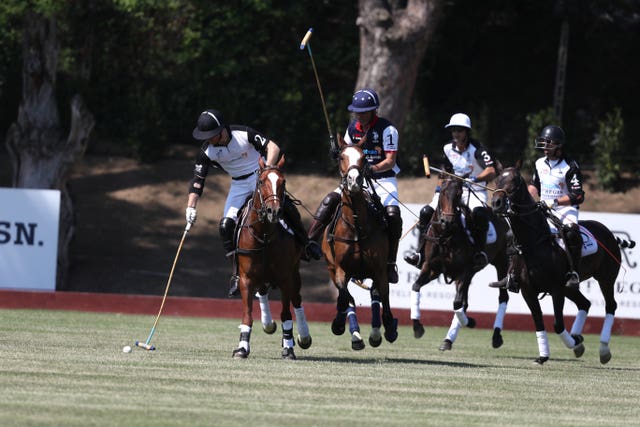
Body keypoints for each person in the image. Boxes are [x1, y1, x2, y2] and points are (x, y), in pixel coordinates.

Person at [185, 109, 322, 297]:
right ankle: (235, 274)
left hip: (261, 176)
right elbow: (198, 180)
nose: (208, 140)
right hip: (238, 184)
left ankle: (306, 244)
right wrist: (191, 207)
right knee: (226, 226)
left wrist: (268, 170)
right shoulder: (207, 151)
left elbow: (273, 147)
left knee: (286, 208)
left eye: (211, 135)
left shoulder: (243, 134)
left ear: (222, 129)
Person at [306, 88, 403, 283]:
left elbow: (391, 160)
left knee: (393, 213)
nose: (359, 115)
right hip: (356, 177)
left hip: (382, 179)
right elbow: (348, 153)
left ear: (374, 110)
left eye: (363, 111)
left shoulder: (387, 129)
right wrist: (337, 154)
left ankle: (390, 262)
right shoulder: (353, 128)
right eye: (356, 111)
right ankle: (309, 242)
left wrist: (373, 169)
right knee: (330, 200)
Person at [489, 125, 584, 290]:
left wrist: (554, 202)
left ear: (559, 145)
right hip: (542, 207)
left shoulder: (570, 166)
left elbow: (578, 196)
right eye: (544, 143)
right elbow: (534, 186)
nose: (545, 147)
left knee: (571, 231)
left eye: (549, 143)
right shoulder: (540, 163)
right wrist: (525, 199)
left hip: (564, 208)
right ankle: (512, 275)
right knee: (514, 233)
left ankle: (573, 273)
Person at [404, 113, 496, 269]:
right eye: (453, 130)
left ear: (467, 132)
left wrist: (475, 179)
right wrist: (439, 190)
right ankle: (420, 253)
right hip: (452, 190)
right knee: (426, 212)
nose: (456, 134)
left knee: (479, 214)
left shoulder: (478, 149)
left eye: (459, 130)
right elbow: (444, 172)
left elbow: (491, 170)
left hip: (473, 190)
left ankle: (480, 252)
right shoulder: (448, 148)